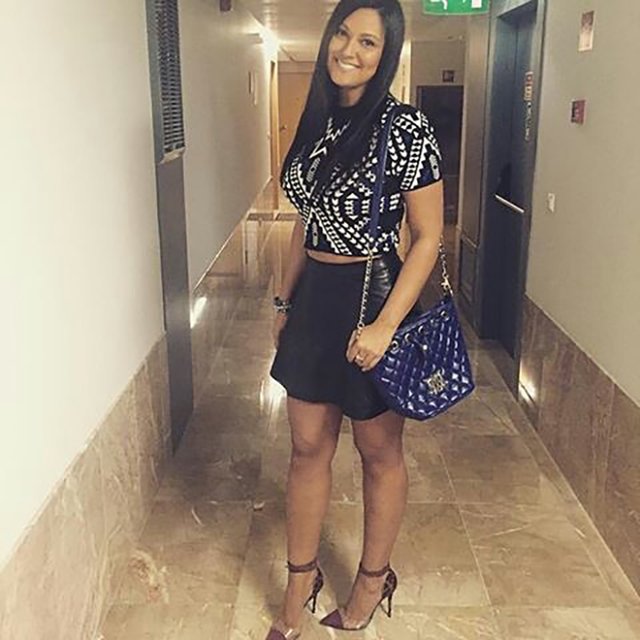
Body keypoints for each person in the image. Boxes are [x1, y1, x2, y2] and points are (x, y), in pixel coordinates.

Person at [266, 0, 443, 637]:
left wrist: (386, 326)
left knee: (378, 450)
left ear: (386, 53)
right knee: (307, 447)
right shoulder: (316, 116)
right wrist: (284, 301)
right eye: (343, 33)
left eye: (368, 42)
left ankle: (372, 580)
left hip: (373, 295)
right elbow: (305, 221)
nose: (349, 50)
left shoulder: (405, 126)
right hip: (315, 298)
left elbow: (427, 236)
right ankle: (300, 581)